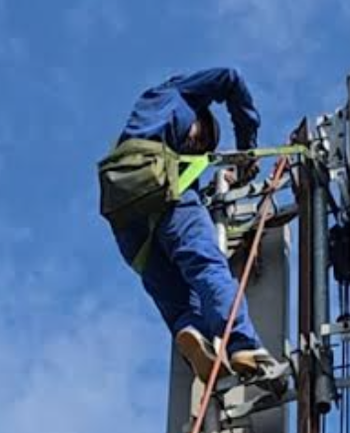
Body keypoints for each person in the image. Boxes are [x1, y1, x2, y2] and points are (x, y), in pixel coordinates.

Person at [103, 67, 277, 382]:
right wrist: (245, 148)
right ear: (199, 115)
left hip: (128, 220)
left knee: (178, 300)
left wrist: (217, 188)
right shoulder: (179, 92)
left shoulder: (140, 125)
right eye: (204, 140)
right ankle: (243, 344)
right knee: (207, 266)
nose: (200, 148)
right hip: (164, 191)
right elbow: (230, 77)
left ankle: (191, 333)